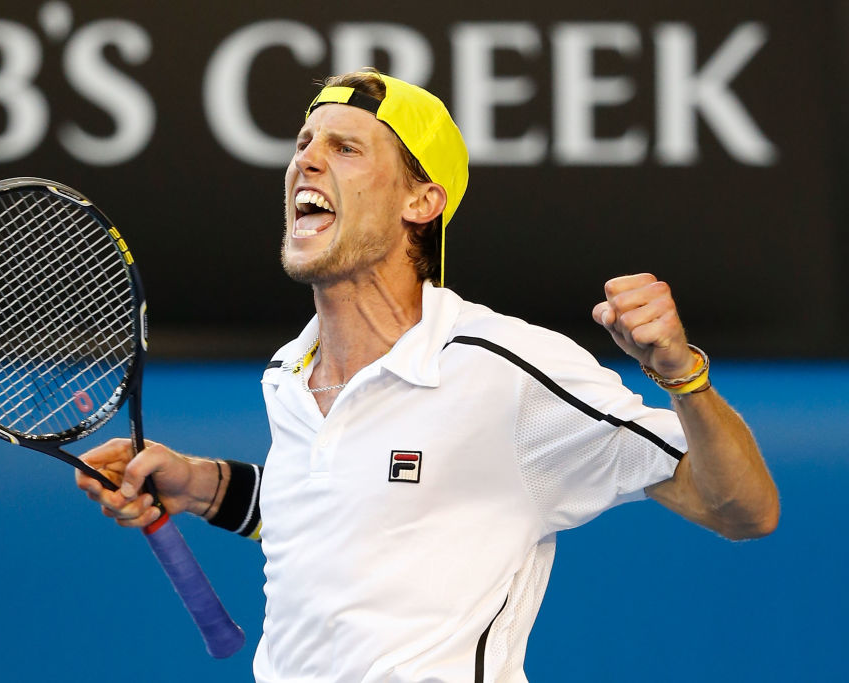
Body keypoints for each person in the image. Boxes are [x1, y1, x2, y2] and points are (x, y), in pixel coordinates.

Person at [76, 69, 779, 682]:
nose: (306, 162)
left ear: (422, 202)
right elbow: (343, 519)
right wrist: (199, 484)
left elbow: (744, 509)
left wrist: (682, 375)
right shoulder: (289, 373)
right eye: (302, 145)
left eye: (345, 148)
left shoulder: (504, 369)